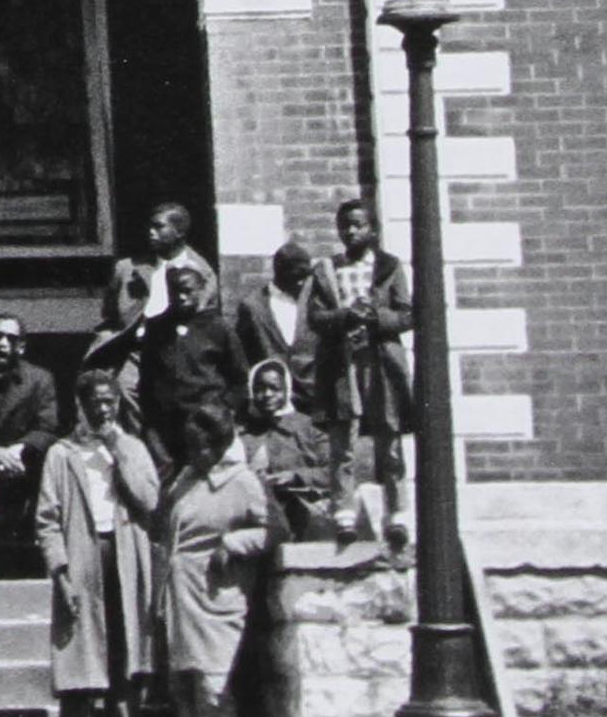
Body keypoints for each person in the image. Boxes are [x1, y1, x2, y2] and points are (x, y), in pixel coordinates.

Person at [34, 368, 163, 717]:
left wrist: (119, 449)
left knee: (125, 666)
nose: (103, 410)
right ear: (82, 405)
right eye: (96, 402)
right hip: (82, 561)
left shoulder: (133, 447)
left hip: (124, 559)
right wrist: (60, 572)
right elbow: (47, 520)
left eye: (110, 402)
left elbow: (149, 500)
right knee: (81, 672)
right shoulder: (62, 454)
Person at [152, 406, 277, 717]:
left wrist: (234, 542)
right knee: (183, 689)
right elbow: (168, 533)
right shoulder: (185, 480)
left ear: (221, 445)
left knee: (213, 692)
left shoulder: (243, 482)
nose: (194, 454)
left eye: (202, 447)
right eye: (190, 447)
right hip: (180, 597)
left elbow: (273, 530)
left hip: (218, 599)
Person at [314, 196, 415, 548]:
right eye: (345, 226)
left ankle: (397, 511)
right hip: (343, 363)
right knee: (343, 436)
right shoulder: (328, 269)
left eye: (358, 225)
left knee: (389, 432)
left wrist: (377, 317)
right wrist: (345, 316)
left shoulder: (389, 267)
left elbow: (407, 313)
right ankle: (344, 511)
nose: (351, 231)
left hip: (381, 361)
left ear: (373, 230)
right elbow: (316, 317)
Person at [0, 315, 60, 574]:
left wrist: (18, 450)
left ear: (21, 346)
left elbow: (47, 427)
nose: (2, 343)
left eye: (11, 338)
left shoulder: (39, 380)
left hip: (21, 473)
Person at [128, 258, 238, 453]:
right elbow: (147, 380)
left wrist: (222, 411)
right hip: (167, 427)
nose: (181, 296)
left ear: (201, 289)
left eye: (187, 291)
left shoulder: (219, 328)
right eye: (175, 291)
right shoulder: (156, 328)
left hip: (207, 426)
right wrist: (152, 424)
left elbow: (239, 379)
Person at [235, 359, 340, 543]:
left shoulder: (308, 428)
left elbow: (336, 470)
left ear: (287, 391)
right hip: (253, 513)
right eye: (259, 389)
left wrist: (296, 476)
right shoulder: (240, 434)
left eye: (275, 389)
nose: (267, 395)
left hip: (302, 514)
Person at [230, 239, 328, 408]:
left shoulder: (314, 302)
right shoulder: (253, 306)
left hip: (312, 397)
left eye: (305, 277)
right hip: (272, 400)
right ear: (279, 272)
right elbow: (242, 355)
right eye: (296, 277)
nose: (302, 282)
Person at [99, 204, 218, 337]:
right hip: (133, 346)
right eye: (150, 226)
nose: (151, 231)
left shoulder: (203, 274)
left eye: (159, 226)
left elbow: (205, 322)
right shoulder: (127, 269)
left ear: (179, 231)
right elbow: (109, 317)